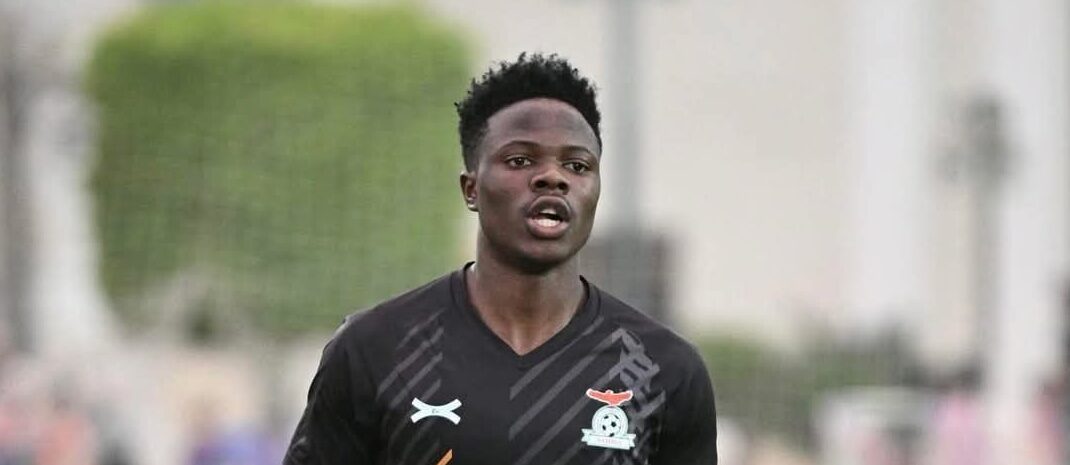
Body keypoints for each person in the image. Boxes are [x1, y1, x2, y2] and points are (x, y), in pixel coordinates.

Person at [284, 53, 718, 465]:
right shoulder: (374, 349)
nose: (552, 177)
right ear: (471, 189)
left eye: (577, 166)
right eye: (520, 159)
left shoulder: (664, 370)